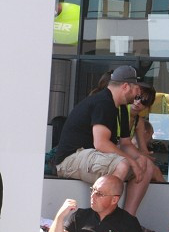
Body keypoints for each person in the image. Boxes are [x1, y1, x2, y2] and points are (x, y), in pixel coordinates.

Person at [52, 65, 154, 220]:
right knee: (122, 164)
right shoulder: (103, 102)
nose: (138, 93)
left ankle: (127, 219)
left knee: (145, 165)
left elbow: (126, 144)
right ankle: (107, 221)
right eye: (136, 89)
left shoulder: (121, 108)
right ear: (126, 86)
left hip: (93, 157)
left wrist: (139, 160)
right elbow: (101, 143)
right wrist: (131, 162)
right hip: (71, 158)